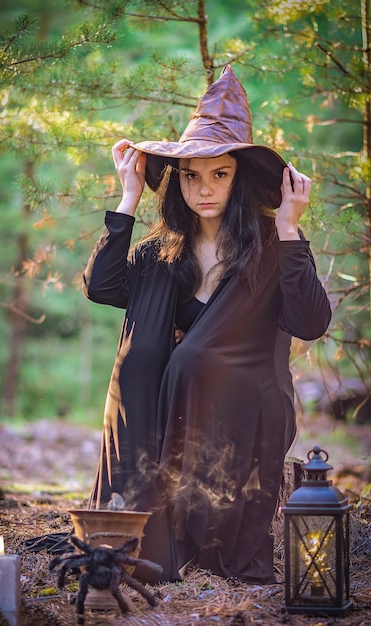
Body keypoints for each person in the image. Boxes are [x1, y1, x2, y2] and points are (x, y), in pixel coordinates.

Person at [82, 65, 332, 585]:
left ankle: (212, 536)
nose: (205, 189)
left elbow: (310, 322)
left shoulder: (268, 249)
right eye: (192, 175)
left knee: (201, 364)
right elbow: (102, 288)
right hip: (174, 421)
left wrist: (290, 230)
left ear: (239, 178)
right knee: (146, 359)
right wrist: (127, 198)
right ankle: (145, 524)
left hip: (243, 413)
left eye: (220, 174)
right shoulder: (163, 252)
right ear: (179, 181)